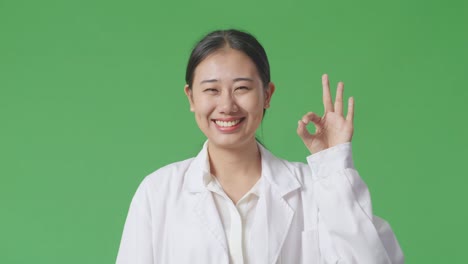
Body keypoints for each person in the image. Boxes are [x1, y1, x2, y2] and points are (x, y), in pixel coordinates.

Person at [116, 29, 404, 264]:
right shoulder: (157, 193)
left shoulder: (315, 189)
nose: (227, 105)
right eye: (211, 90)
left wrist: (333, 166)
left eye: (242, 88)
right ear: (191, 98)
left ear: (267, 94)